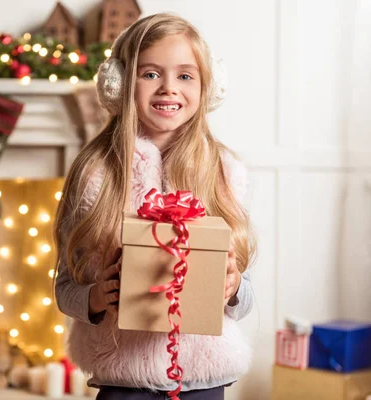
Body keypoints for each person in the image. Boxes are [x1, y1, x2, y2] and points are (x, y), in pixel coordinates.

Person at [53, 13, 257, 400]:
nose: (168, 88)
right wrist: (97, 297)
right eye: (150, 74)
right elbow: (65, 287)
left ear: (207, 88)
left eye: (185, 76)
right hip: (124, 381)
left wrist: (231, 289)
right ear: (119, 83)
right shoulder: (96, 174)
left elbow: (244, 296)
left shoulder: (223, 172)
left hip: (204, 381)